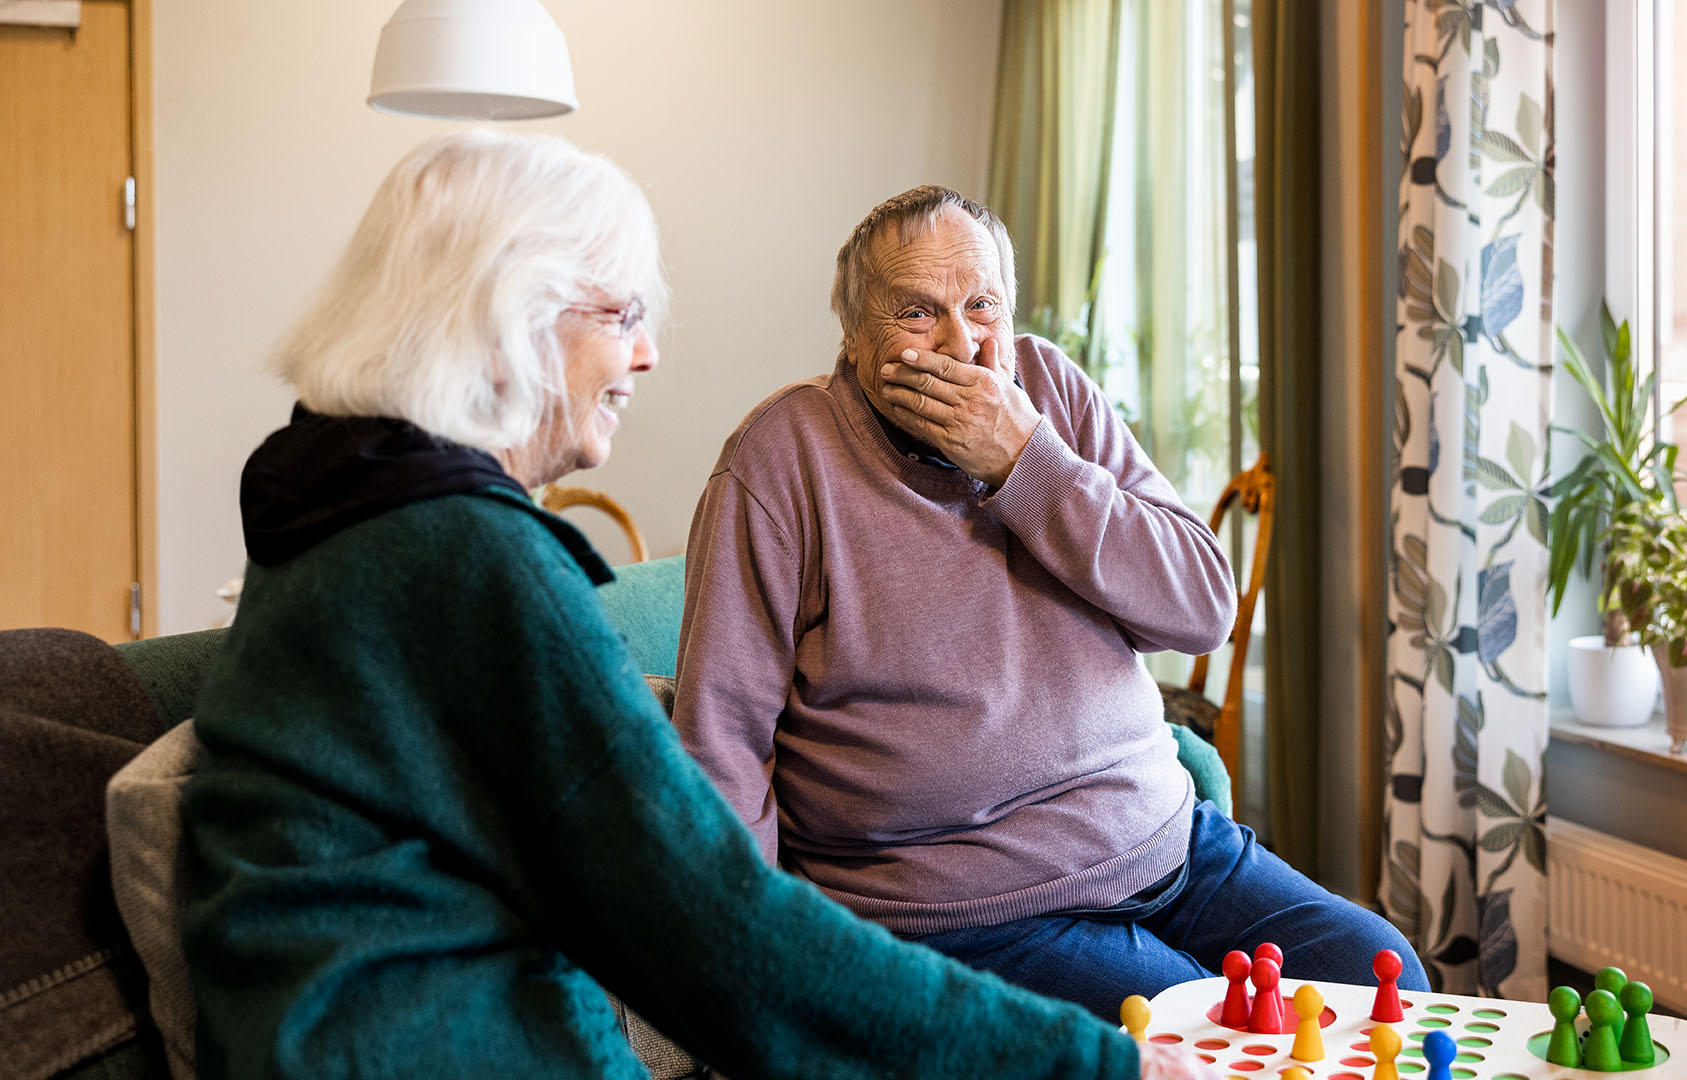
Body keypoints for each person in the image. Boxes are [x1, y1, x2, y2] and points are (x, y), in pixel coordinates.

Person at [182, 131, 1207, 1080]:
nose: (647, 355)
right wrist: (1096, 1065)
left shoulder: (328, 494)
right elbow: (721, 929)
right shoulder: (459, 557)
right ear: (515, 315)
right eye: (622, 315)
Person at [673, 185, 1428, 1024]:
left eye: (981, 305)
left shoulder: (1053, 394)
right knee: (1197, 1040)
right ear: (853, 337)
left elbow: (1203, 605)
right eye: (918, 314)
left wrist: (1025, 461)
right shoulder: (781, 458)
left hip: (1165, 841)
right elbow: (723, 734)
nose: (963, 343)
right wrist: (755, 958)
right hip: (968, 907)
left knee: (1386, 985)